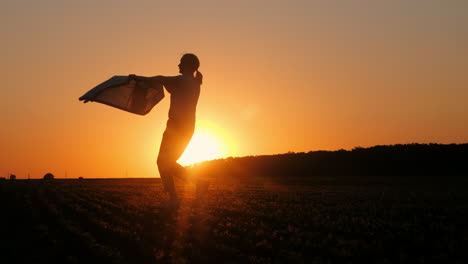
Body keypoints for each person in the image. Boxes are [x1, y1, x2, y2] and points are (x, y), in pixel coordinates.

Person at [129, 53, 206, 207]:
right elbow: (166, 84)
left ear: (188, 65)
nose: (178, 65)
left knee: (163, 162)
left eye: (181, 63)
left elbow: (160, 78)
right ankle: (197, 184)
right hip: (185, 127)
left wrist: (137, 78)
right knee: (167, 162)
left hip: (177, 127)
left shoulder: (183, 80)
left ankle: (175, 198)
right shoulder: (193, 83)